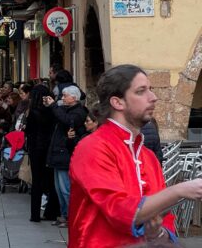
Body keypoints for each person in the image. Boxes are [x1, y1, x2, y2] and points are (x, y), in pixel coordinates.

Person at [69, 64, 202, 247]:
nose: (153, 98)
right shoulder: (92, 147)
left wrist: (158, 233)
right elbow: (119, 210)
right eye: (141, 91)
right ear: (118, 102)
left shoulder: (148, 157)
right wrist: (178, 191)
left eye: (151, 90)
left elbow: (166, 222)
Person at [43, 85, 88, 227]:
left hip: (65, 154)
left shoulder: (78, 112)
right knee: (58, 188)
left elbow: (66, 120)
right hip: (58, 153)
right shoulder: (65, 109)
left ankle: (71, 216)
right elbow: (57, 115)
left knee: (65, 188)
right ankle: (64, 214)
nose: (62, 98)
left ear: (74, 98)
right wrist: (50, 106)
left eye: (65, 95)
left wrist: (54, 106)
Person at [26, 84, 60, 223]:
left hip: (35, 149)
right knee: (52, 180)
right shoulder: (52, 111)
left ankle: (35, 214)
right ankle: (51, 211)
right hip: (50, 147)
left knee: (37, 181)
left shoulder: (33, 112)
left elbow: (28, 131)